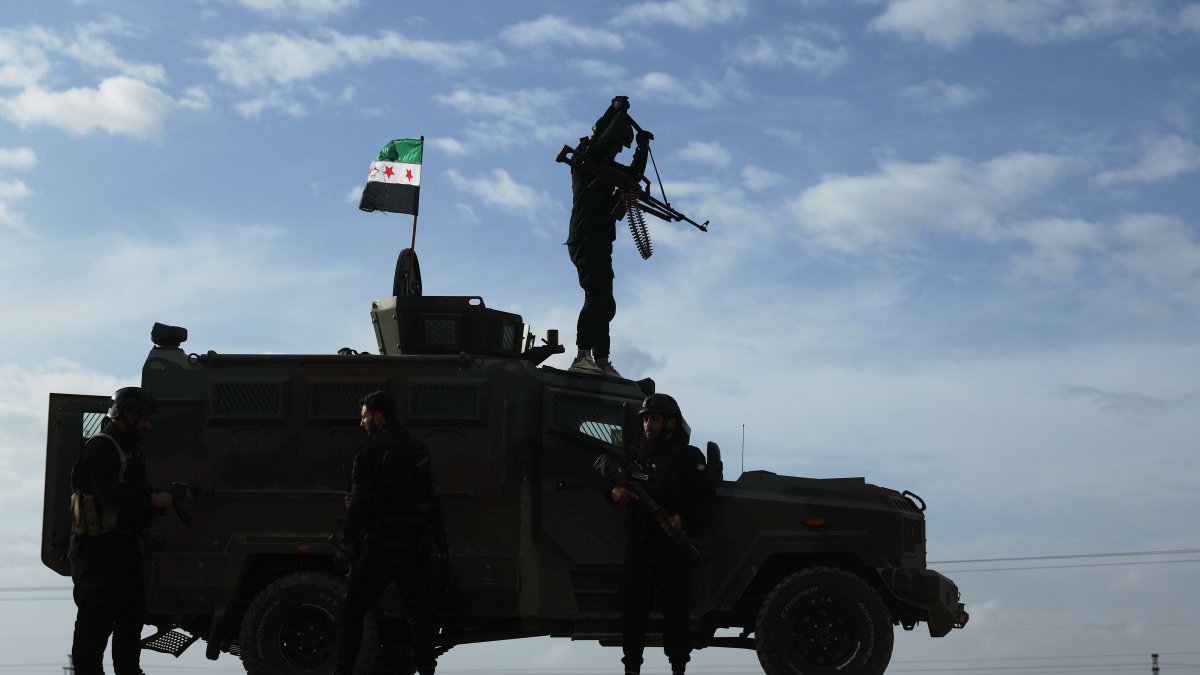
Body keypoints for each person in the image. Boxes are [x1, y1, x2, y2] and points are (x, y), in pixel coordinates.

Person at [68, 386, 183, 675]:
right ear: (127, 414)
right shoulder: (101, 447)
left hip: (126, 547)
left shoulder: (130, 448)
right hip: (97, 550)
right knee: (95, 624)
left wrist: (166, 496)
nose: (147, 424)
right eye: (143, 418)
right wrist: (150, 500)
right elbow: (111, 496)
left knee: (131, 621)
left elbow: (135, 492)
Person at [335, 390, 444, 675]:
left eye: (365, 417)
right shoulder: (419, 448)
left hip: (381, 546)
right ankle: (426, 670)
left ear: (378, 417)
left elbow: (359, 501)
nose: (362, 423)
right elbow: (427, 497)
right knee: (420, 615)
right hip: (414, 546)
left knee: (351, 612)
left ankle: (343, 671)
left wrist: (348, 540)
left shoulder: (369, 451)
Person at [606, 393, 715, 675]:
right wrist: (614, 492)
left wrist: (682, 518)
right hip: (639, 544)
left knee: (676, 613)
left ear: (671, 423)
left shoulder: (688, 458)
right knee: (632, 611)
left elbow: (705, 498)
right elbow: (610, 485)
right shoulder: (634, 456)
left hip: (671, 546)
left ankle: (678, 668)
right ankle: (632, 668)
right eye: (644, 420)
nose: (647, 425)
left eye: (653, 419)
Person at [566, 96, 652, 379]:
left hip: (602, 240)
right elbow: (599, 134)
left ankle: (601, 360)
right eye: (616, 144)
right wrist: (615, 110)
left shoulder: (607, 167)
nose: (617, 150)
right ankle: (582, 356)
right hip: (586, 237)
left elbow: (633, 176)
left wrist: (641, 149)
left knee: (606, 302)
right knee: (596, 296)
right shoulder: (586, 159)